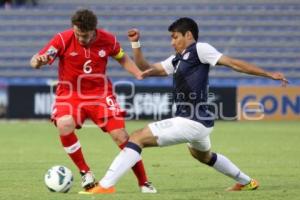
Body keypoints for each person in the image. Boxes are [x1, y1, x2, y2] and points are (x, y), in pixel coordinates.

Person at [80, 17, 289, 194]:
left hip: (191, 119)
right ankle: (246, 181)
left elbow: (233, 63)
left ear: (188, 35)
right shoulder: (178, 59)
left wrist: (268, 74)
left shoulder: (200, 49)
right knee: (204, 156)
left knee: (137, 137)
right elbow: (146, 67)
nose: (172, 42)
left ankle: (106, 185)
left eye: (175, 37)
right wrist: (136, 44)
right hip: (200, 122)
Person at [30, 9, 156, 193]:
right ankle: (85, 172)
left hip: (100, 94)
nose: (81, 39)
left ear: (94, 30)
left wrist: (136, 72)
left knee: (121, 136)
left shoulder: (108, 40)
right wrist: (38, 61)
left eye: (85, 35)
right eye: (78, 34)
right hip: (70, 93)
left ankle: (144, 182)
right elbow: (36, 60)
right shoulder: (63, 39)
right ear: (74, 29)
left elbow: (121, 57)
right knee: (64, 124)